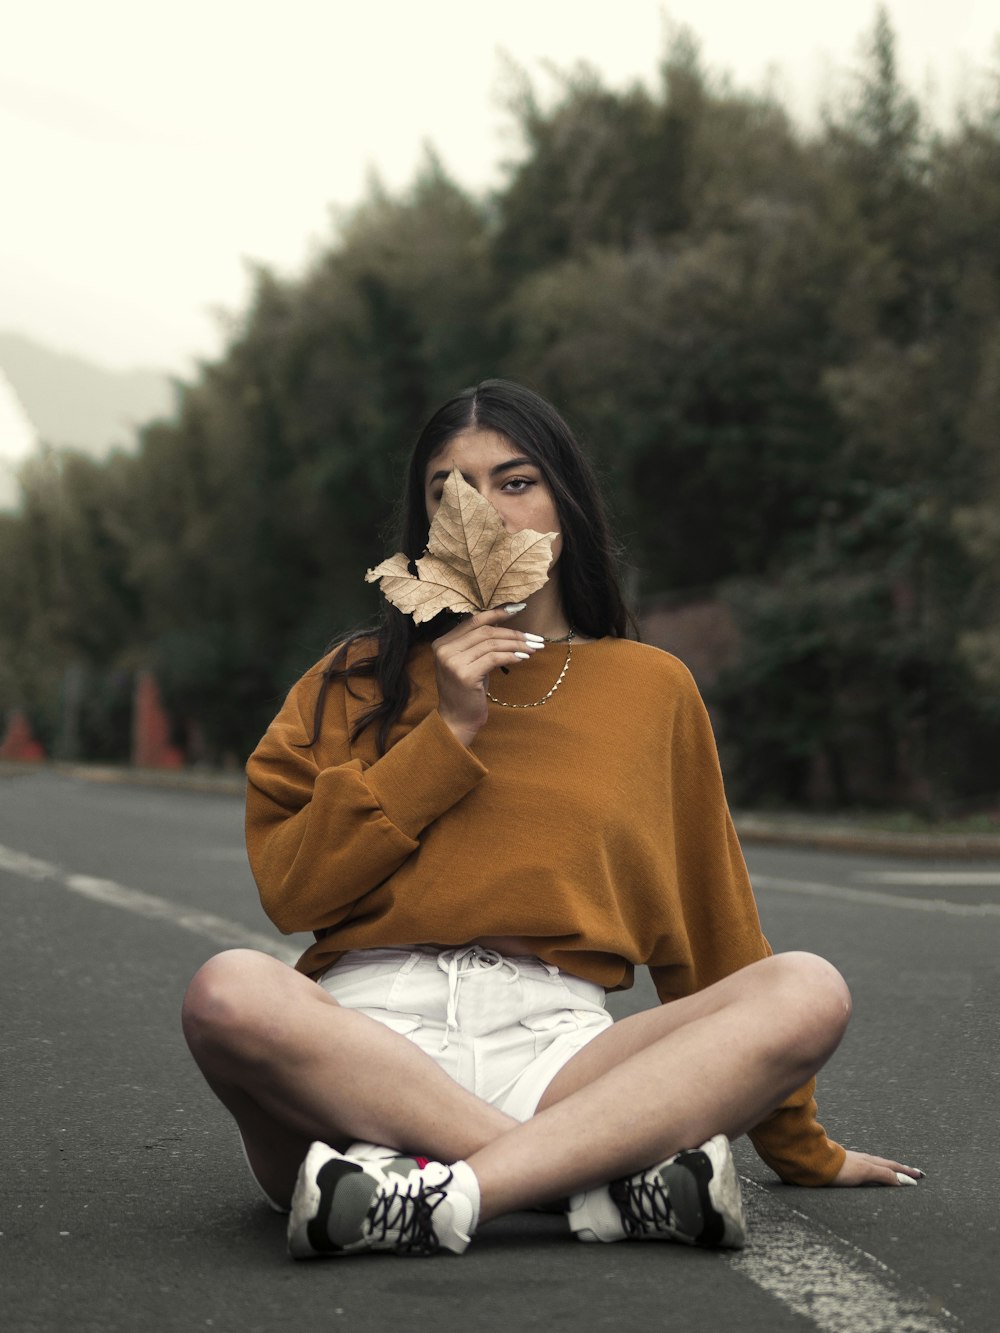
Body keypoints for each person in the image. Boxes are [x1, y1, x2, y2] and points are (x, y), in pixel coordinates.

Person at [181, 378, 922, 1260]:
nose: (482, 510)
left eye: (515, 481)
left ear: (565, 500)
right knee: (226, 989)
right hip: (361, 1054)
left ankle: (429, 1195)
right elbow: (294, 887)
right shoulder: (353, 677)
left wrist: (801, 1149)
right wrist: (444, 730)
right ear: (424, 527)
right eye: (448, 489)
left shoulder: (650, 687)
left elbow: (715, 929)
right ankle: (594, 1181)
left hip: (559, 1053)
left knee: (808, 988)